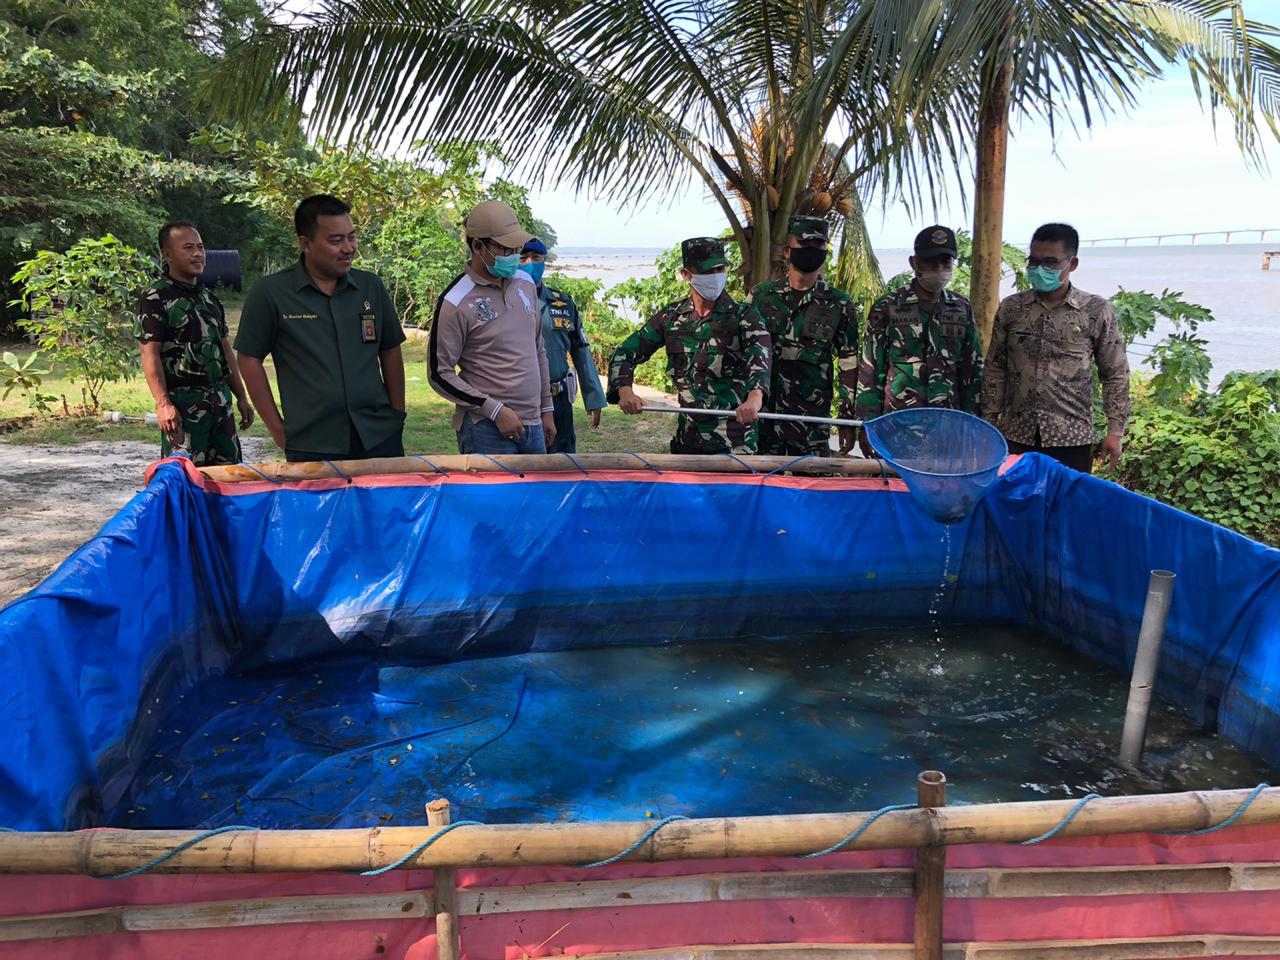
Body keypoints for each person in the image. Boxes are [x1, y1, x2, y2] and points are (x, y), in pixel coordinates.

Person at [234, 194, 407, 462]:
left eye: (352, 237)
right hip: (312, 441)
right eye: (335, 240)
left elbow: (390, 350)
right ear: (306, 244)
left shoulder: (370, 287)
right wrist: (278, 430)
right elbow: (248, 359)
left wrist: (397, 414)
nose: (348, 248)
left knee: (384, 505)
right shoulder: (272, 293)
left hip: (378, 435)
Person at [982, 222, 1130, 473]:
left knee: (1066, 510)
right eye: (1034, 262)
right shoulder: (1012, 308)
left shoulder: (1095, 310)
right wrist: (987, 425)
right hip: (1016, 435)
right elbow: (995, 369)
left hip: (1072, 438)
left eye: (1050, 263)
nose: (1040, 269)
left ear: (1072, 264)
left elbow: (1114, 372)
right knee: (1014, 506)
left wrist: (1115, 431)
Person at [607, 236, 771, 454]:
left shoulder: (745, 316)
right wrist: (625, 390)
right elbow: (626, 352)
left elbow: (760, 358)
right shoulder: (671, 318)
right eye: (707, 271)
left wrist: (754, 398)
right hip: (688, 441)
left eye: (720, 269)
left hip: (734, 443)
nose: (715, 277)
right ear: (686, 275)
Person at [428, 200, 555, 454]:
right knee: (493, 495)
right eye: (506, 249)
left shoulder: (525, 284)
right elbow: (439, 374)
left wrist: (547, 408)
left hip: (534, 424)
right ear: (478, 246)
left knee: (535, 494)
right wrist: (494, 410)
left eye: (517, 248)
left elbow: (537, 348)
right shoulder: (455, 301)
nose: (514, 256)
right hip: (485, 428)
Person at [850, 225, 983, 455]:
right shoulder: (888, 306)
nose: (939, 269)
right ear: (914, 263)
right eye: (931, 262)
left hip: (948, 429)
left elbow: (972, 371)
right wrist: (867, 425)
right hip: (898, 429)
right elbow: (870, 370)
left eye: (945, 263)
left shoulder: (961, 308)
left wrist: (975, 424)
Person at [136, 221, 253, 465]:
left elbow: (225, 350)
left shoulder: (209, 298)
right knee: (185, 478)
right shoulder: (156, 297)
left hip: (220, 403)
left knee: (230, 478)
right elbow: (150, 354)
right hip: (183, 406)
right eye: (188, 248)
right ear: (167, 254)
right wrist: (163, 404)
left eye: (200, 247)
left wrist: (241, 396)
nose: (198, 253)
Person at [749, 215, 859, 457]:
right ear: (787, 251)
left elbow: (849, 363)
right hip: (764, 419)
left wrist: (846, 417)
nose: (811, 251)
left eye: (818, 246)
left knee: (814, 490)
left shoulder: (839, 304)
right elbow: (744, 352)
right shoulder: (760, 297)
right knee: (764, 487)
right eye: (804, 246)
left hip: (811, 424)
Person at [519, 238, 606, 453]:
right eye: (523, 258)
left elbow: (580, 349)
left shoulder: (563, 304)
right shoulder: (506, 301)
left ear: (544, 261)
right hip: (518, 398)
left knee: (562, 465)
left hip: (558, 399)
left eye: (536, 258)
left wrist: (593, 396)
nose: (530, 263)